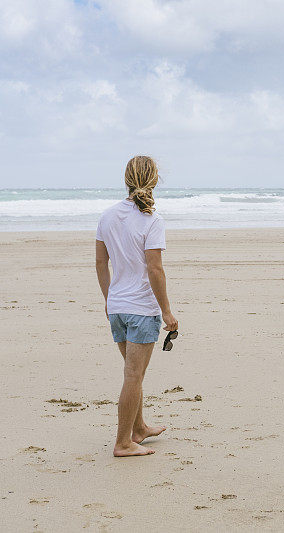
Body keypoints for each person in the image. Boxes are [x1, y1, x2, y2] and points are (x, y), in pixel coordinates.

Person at [95, 155, 179, 457]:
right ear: (154, 180)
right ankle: (122, 442)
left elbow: (101, 263)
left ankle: (139, 428)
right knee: (133, 375)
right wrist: (167, 312)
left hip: (117, 307)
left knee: (134, 372)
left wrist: (108, 299)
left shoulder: (107, 216)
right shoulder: (152, 221)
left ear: (126, 179)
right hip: (142, 309)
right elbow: (155, 269)